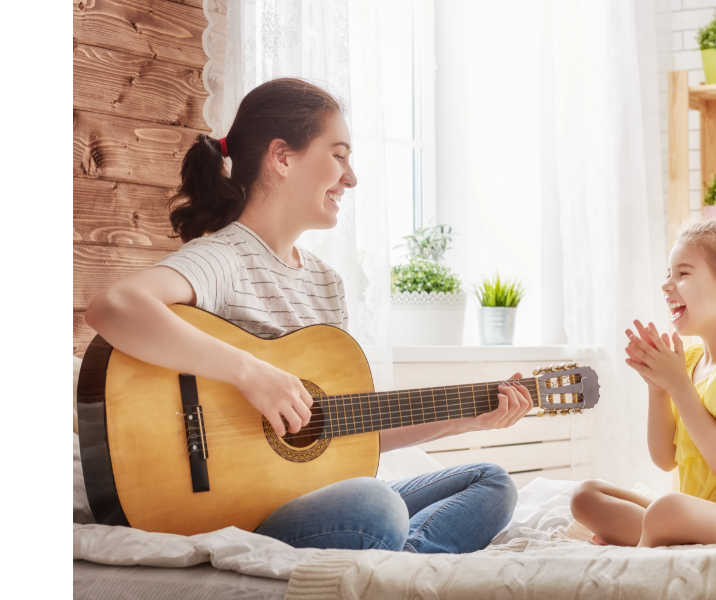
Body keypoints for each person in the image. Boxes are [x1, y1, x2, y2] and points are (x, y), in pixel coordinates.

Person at [85, 78, 528, 553]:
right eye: (338, 156)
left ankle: (397, 561)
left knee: (492, 483)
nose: (351, 177)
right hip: (240, 510)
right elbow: (114, 307)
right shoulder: (225, 258)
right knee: (375, 506)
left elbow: (345, 431)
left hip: (315, 501)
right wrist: (249, 372)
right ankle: (393, 559)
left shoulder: (325, 282)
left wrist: (465, 419)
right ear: (282, 157)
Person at [570, 219, 716, 547]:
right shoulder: (691, 360)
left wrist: (679, 384)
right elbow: (665, 457)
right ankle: (660, 533)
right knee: (585, 496)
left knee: (668, 509)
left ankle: (648, 543)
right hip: (705, 512)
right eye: (668, 274)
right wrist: (659, 389)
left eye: (683, 274)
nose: (667, 285)